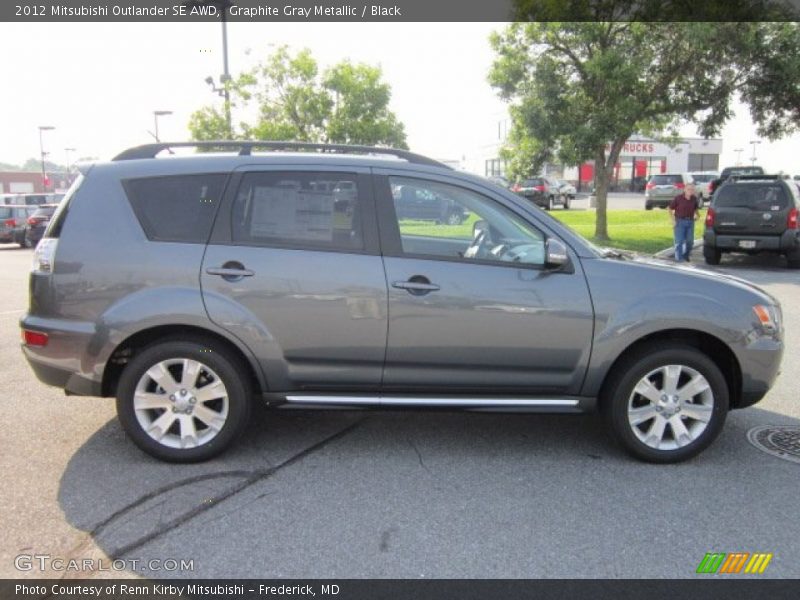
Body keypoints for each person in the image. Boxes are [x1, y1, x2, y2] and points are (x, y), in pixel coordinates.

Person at [668, 182, 700, 262]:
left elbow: (695, 208)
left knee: (690, 242)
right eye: (688, 189)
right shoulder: (678, 198)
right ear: (684, 189)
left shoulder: (694, 199)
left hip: (690, 222)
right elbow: (670, 208)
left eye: (692, 189)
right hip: (679, 222)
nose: (690, 191)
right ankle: (679, 261)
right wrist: (672, 220)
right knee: (679, 242)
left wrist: (698, 215)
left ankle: (685, 255)